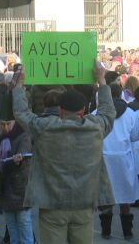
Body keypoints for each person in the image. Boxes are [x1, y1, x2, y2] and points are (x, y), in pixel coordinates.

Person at [11, 62, 116, 244]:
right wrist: (102, 80)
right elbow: (108, 111)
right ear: (83, 111)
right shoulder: (96, 127)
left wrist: (19, 86)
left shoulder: (44, 127)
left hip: (52, 204)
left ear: (60, 110)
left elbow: (21, 112)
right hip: (85, 203)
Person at [0, 96, 34, 244]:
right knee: (11, 226)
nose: (5, 128)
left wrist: (19, 160)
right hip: (3, 186)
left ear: (15, 121)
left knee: (24, 223)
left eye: (8, 124)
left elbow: (26, 154)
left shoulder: (23, 134)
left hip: (21, 187)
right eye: (2, 124)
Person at [95, 84, 139, 240]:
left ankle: (106, 231)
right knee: (125, 196)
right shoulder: (130, 114)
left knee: (107, 196)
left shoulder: (96, 113)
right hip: (123, 158)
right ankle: (128, 232)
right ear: (121, 94)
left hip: (104, 158)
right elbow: (134, 136)